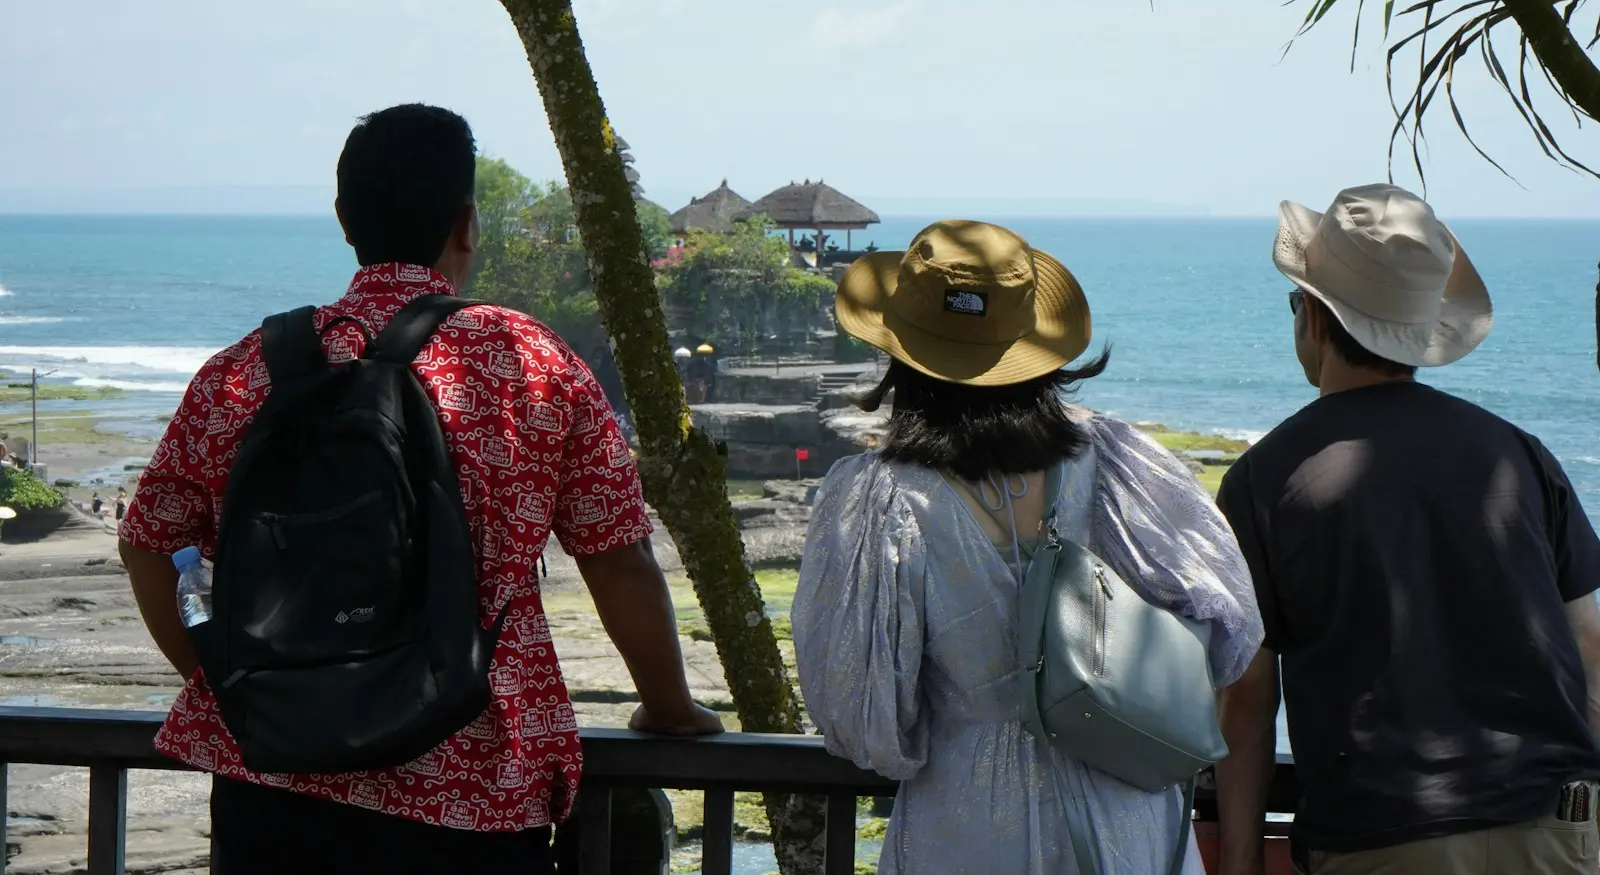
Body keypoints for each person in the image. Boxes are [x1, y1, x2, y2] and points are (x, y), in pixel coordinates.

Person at [118, 104, 721, 875]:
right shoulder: (530, 363)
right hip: (472, 789)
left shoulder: (246, 369)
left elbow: (149, 543)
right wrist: (669, 707)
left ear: (344, 219)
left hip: (272, 785)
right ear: (467, 224)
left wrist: (235, 686)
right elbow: (618, 559)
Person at [792, 219, 1264, 875]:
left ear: (903, 355)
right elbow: (1226, 632)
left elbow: (865, 719)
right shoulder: (1121, 466)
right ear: (1032, 344)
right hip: (1126, 806)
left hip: (969, 820)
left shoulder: (881, 499)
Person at [1213, 184, 1600, 875]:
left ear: (1312, 314)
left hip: (1381, 838)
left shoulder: (1265, 479)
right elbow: (1589, 650)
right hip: (1553, 828)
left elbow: (1246, 698)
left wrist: (1240, 862)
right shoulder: (1519, 455)